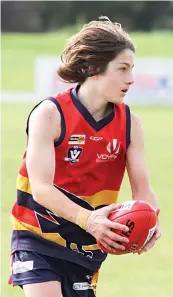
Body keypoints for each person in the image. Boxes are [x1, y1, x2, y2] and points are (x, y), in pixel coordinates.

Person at [9, 16, 161, 297]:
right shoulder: (50, 114)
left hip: (87, 248)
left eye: (132, 69)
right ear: (94, 69)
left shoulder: (130, 124)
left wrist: (150, 222)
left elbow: (143, 192)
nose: (131, 79)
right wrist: (89, 219)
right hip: (37, 238)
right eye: (123, 69)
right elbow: (41, 188)